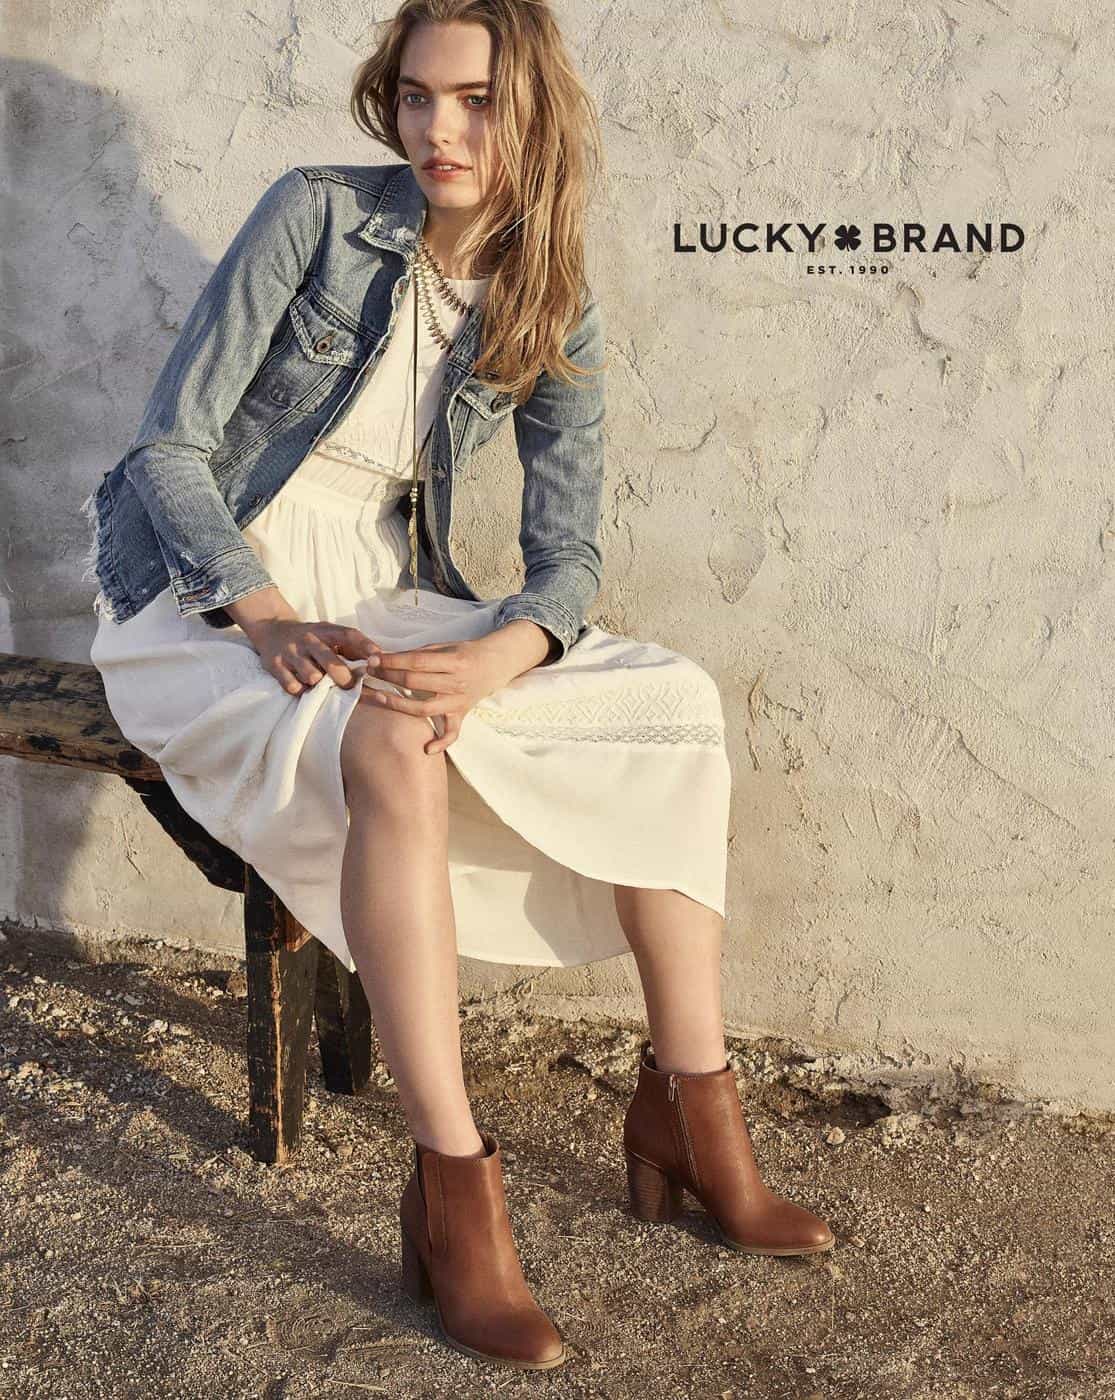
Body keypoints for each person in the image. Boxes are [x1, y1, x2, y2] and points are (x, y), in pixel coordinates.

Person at [81, 0, 834, 1372]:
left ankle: (692, 1112)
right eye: (419, 96)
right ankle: (453, 1190)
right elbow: (168, 454)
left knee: (669, 705)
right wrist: (260, 613)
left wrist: (506, 650)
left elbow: (568, 557)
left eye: (476, 100)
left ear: (530, 108)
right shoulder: (315, 215)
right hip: (202, 597)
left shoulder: (550, 292)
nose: (439, 129)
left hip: (382, 586)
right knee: (394, 743)